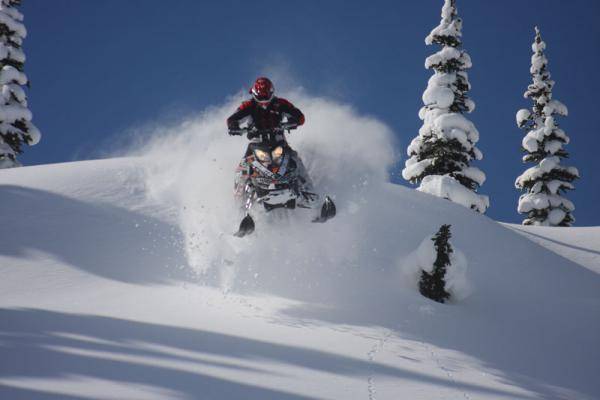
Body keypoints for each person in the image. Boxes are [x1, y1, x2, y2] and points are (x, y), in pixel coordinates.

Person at [227, 77, 315, 205]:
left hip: (278, 142)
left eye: (266, 96)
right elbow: (232, 119)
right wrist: (234, 126)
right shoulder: (248, 105)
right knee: (243, 168)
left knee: (295, 160)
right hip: (257, 143)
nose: (264, 101)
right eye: (261, 97)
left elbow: (299, 116)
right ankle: (240, 205)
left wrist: (292, 122)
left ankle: (310, 194)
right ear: (255, 94)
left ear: (271, 92)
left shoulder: (280, 103)